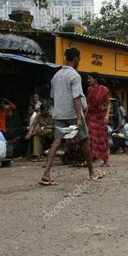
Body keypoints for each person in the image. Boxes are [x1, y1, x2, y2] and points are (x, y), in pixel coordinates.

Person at [40, 47, 101, 185]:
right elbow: (77, 97)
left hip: (58, 113)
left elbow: (53, 97)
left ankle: (46, 174)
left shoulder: (56, 76)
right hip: (73, 113)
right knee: (85, 141)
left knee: (56, 142)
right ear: (76, 59)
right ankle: (91, 173)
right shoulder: (75, 76)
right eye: (79, 59)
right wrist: (79, 117)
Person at [85, 72, 111, 167]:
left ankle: (105, 160)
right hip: (91, 115)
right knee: (90, 137)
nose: (88, 80)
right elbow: (89, 104)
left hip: (101, 116)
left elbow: (108, 103)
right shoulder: (89, 89)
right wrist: (85, 115)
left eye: (89, 78)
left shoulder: (104, 89)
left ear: (95, 79)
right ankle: (92, 157)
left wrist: (107, 116)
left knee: (101, 138)